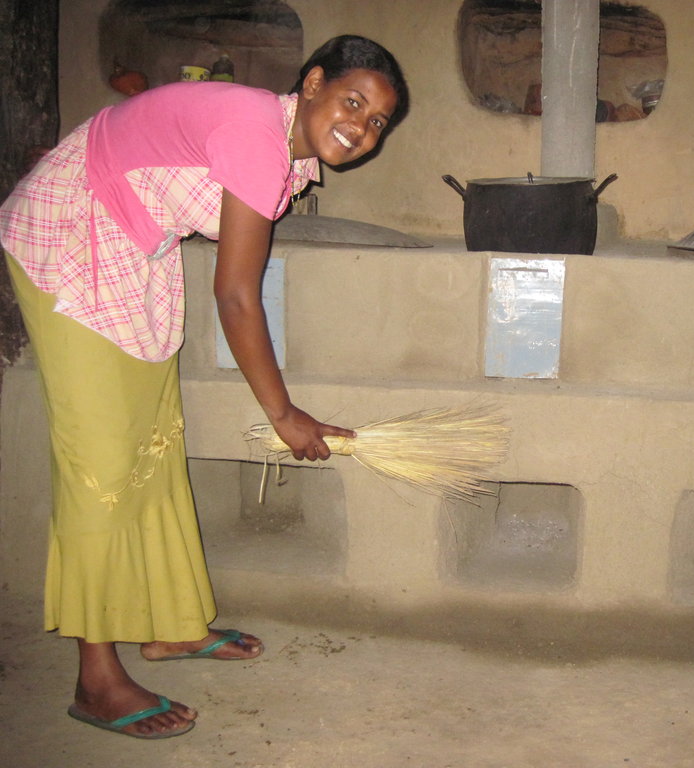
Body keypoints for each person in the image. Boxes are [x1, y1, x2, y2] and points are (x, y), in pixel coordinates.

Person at [0, 35, 407, 739]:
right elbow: (237, 297)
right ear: (311, 85)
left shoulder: (288, 146)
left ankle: (171, 628)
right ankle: (96, 679)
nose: (363, 127)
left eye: (378, 122)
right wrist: (283, 414)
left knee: (153, 445)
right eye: (354, 101)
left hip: (130, 243)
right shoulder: (258, 134)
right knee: (100, 466)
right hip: (69, 236)